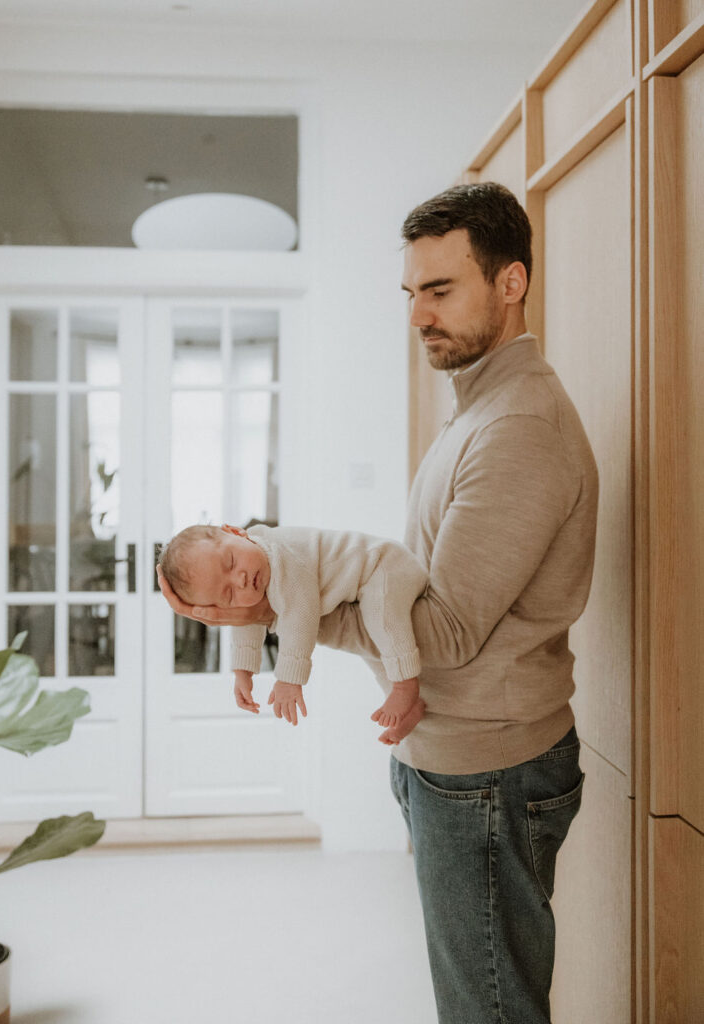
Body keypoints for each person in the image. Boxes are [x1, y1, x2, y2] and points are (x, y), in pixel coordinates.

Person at [158, 182, 598, 1024]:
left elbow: (447, 630)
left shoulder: (516, 429)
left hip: (488, 771)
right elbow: (410, 583)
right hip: (456, 761)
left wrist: (289, 612)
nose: (417, 315)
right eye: (411, 293)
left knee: (489, 1011)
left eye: (440, 291)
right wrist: (292, 596)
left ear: (511, 284)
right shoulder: (478, 409)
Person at [158, 521, 428, 743]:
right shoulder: (255, 568)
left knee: (382, 618)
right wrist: (243, 672)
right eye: (228, 594)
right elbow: (247, 620)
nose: (239, 580)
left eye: (230, 562)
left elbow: (301, 614)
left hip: (384, 565)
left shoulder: (280, 556)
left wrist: (289, 679)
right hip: (359, 588)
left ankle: (406, 685)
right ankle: (410, 709)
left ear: (235, 532)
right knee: (378, 646)